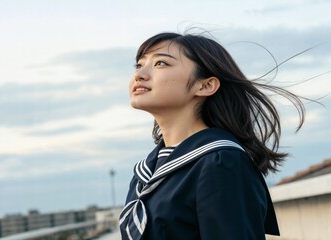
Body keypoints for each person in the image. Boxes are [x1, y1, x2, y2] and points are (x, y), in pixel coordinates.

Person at [119, 32, 305, 240]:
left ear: (205, 85)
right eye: (139, 65)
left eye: (161, 63)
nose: (140, 74)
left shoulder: (221, 162)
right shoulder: (145, 173)